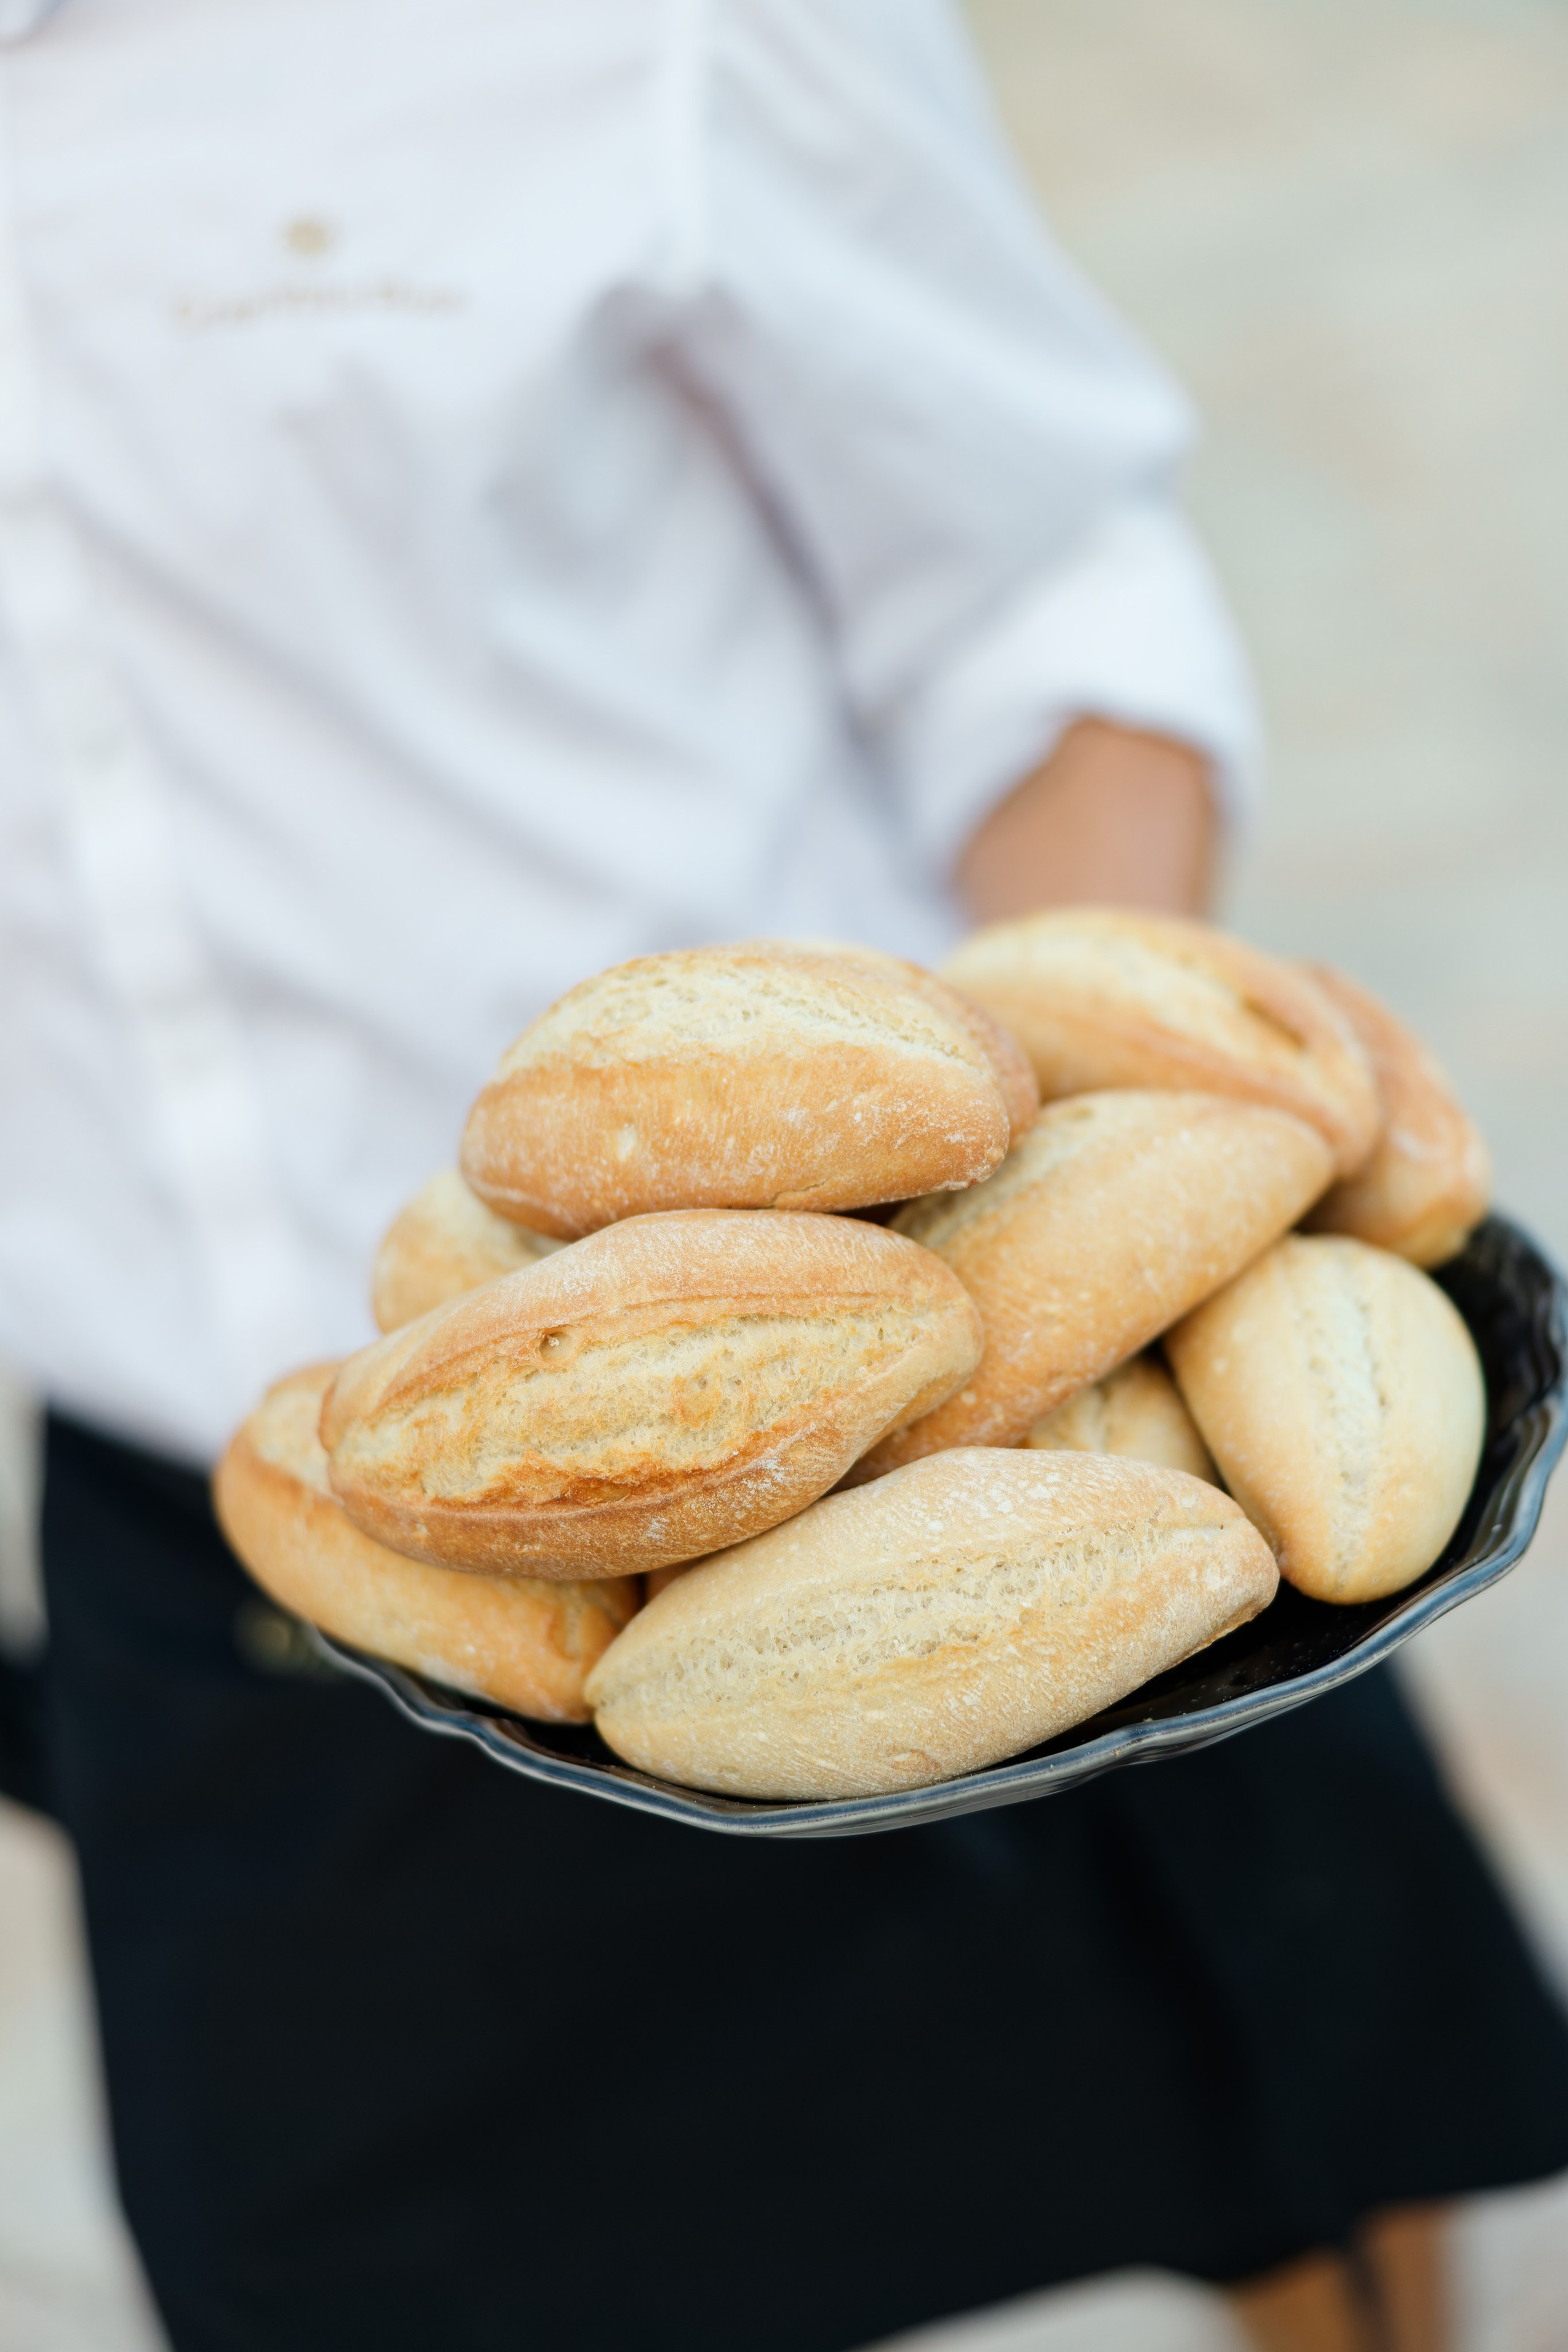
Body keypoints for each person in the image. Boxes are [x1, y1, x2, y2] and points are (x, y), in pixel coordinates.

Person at [2, 6, 1565, 2350]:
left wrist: (1118, 1194)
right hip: (243, 1528)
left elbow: (1044, 605)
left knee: (1301, 2196)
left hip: (952, 1429)